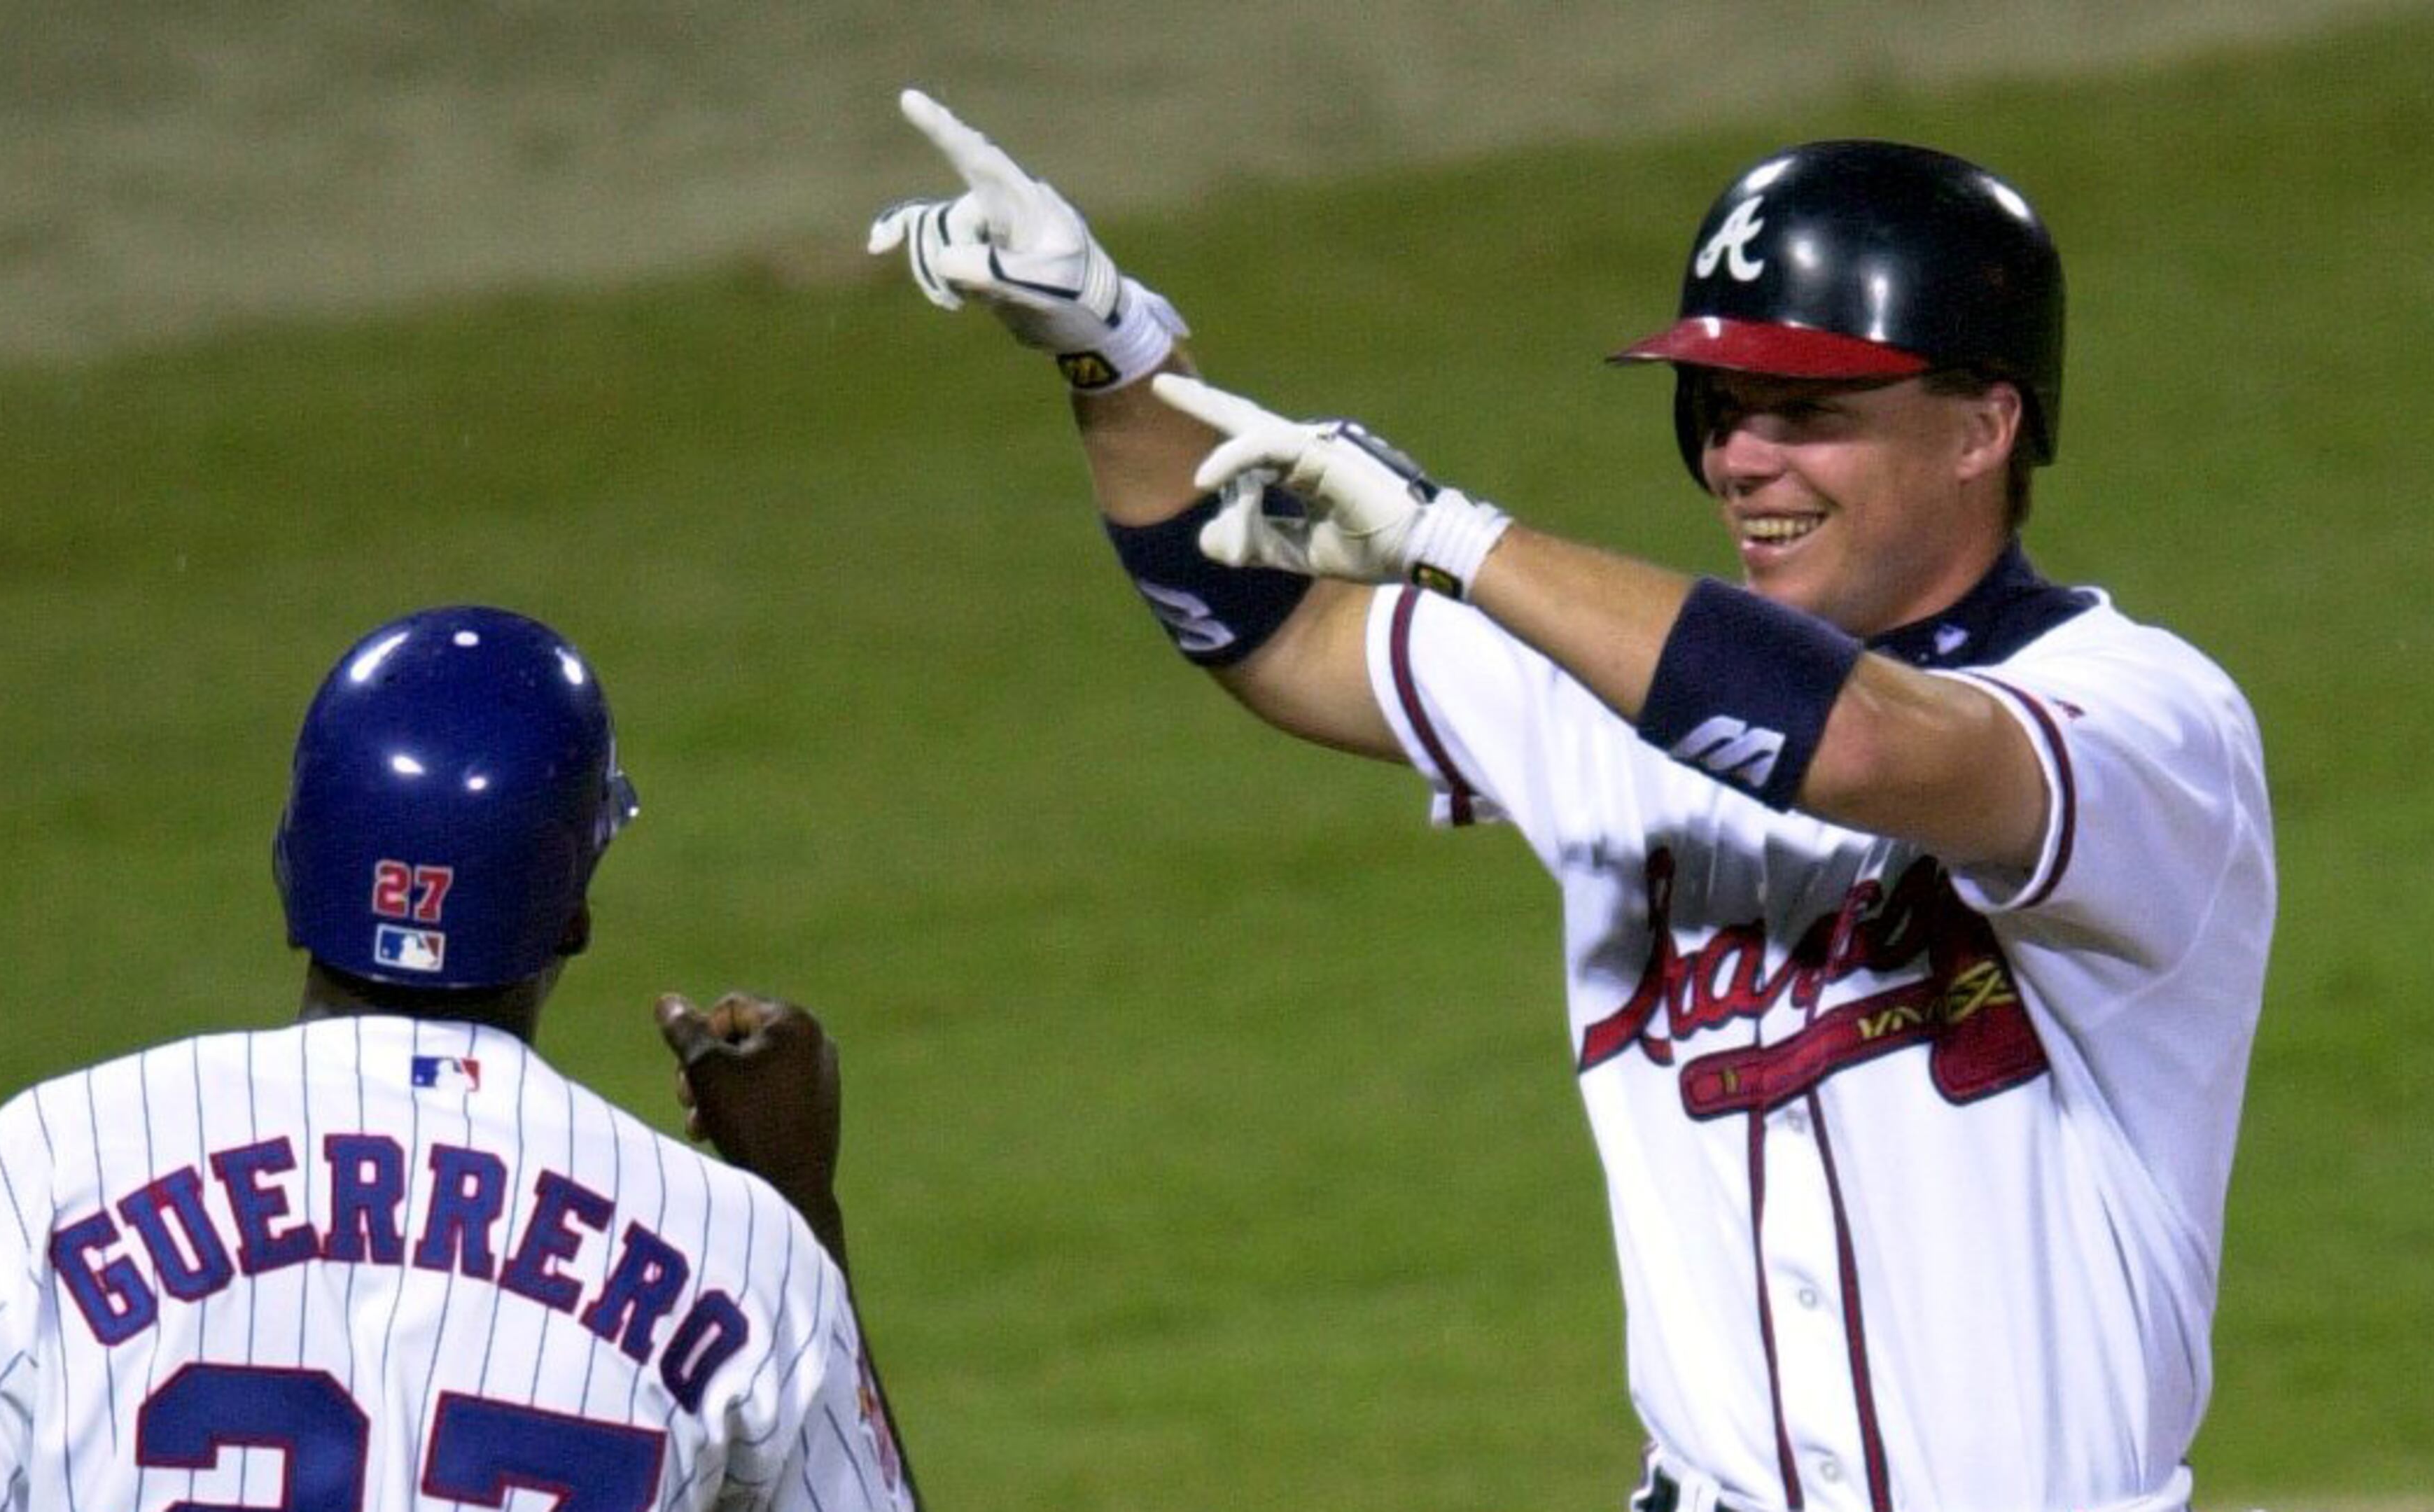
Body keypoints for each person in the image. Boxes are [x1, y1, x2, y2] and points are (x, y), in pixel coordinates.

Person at [869, 90, 2274, 1512]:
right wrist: (1114, 351)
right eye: (1720, 409)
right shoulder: (1610, 677)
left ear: (1985, 426)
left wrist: (1455, 539)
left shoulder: (2143, 722)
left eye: (1808, 412)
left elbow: (1865, 747)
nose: (1742, 458)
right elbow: (1268, 630)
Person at [0, 605, 918, 1512]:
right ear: (573, 916)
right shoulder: (740, 1246)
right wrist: (798, 1200)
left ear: (293, 872)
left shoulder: (46, 1165)